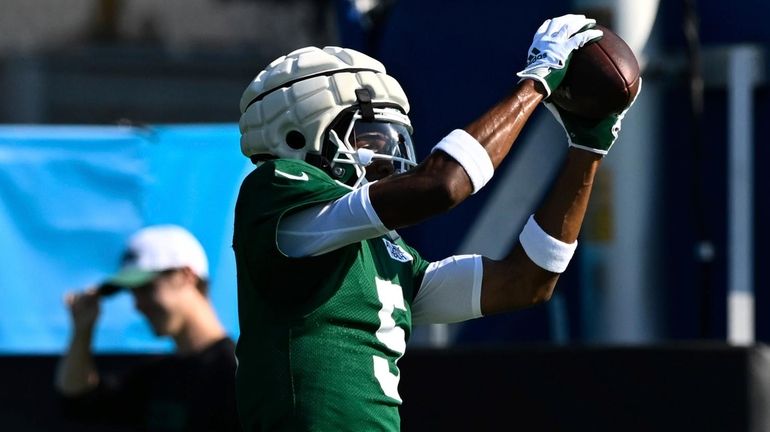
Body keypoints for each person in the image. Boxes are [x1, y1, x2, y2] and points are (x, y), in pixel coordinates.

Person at [233, 14, 639, 431]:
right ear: (298, 137)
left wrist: (587, 150)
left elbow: (525, 282)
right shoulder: (276, 191)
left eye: (392, 140)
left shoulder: (384, 254)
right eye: (369, 139)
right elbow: (442, 185)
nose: (388, 157)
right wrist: (536, 81)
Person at [55, 225, 241, 432]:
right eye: (133, 293)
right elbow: (79, 400)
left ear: (187, 276)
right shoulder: (157, 376)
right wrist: (82, 329)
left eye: (146, 288)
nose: (137, 305)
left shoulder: (238, 374)